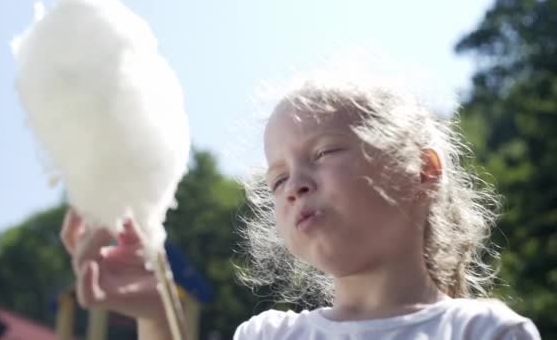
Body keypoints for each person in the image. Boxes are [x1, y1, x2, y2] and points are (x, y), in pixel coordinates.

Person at [60, 63, 541, 339]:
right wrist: (156, 313)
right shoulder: (268, 335)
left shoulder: (485, 331)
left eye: (325, 152)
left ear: (422, 169)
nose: (294, 185)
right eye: (277, 179)